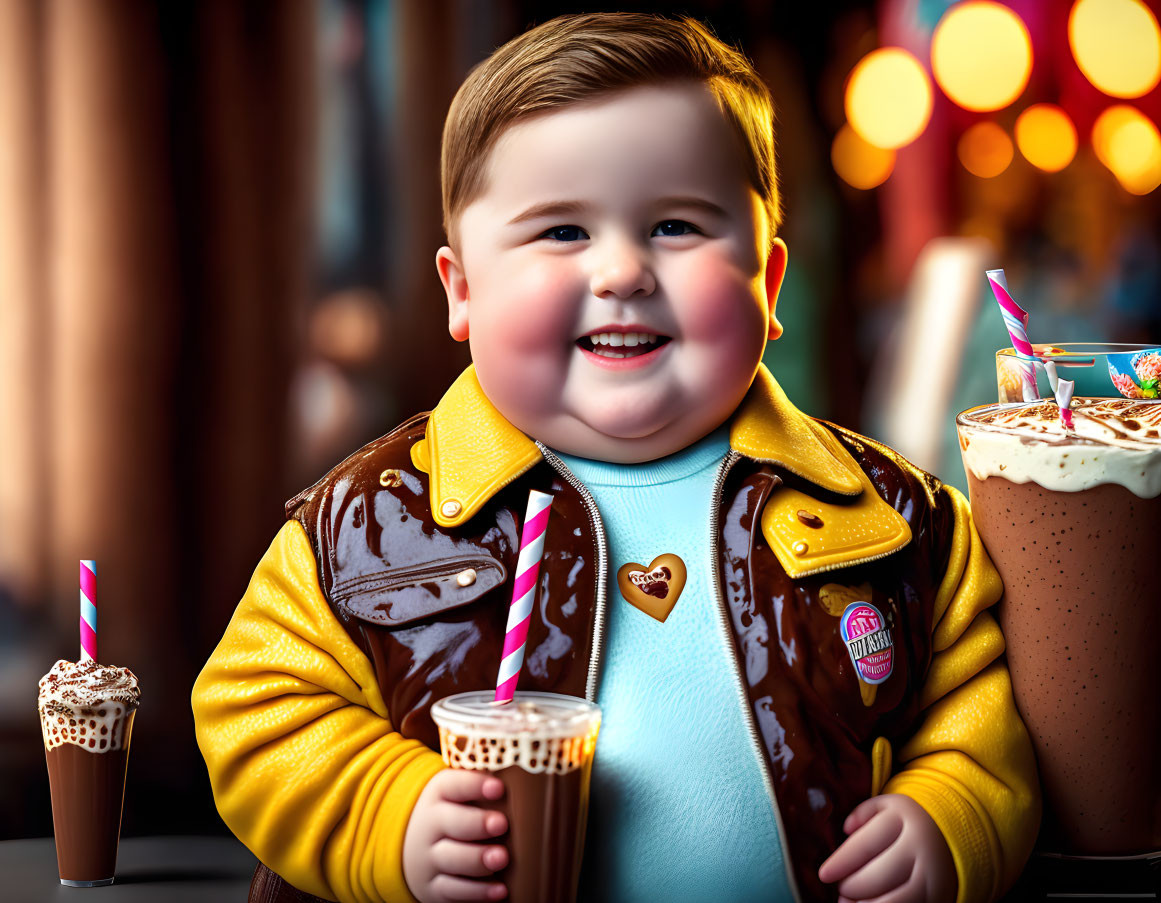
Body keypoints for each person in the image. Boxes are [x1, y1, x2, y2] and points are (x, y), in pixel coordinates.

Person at [192, 13, 1039, 903]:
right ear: (464, 291)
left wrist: (950, 814)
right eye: (561, 232)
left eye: (675, 225)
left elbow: (978, 713)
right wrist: (387, 816)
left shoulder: (894, 520)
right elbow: (256, 710)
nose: (623, 271)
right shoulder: (368, 524)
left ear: (770, 281)